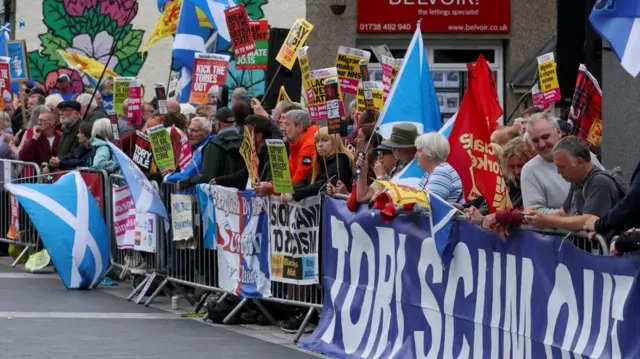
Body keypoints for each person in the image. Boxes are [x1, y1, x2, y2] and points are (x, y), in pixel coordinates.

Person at [525, 136, 621, 232]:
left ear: (579, 162)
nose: (558, 172)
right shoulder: (577, 180)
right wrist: (537, 217)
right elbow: (562, 213)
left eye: (562, 167)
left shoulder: (600, 182)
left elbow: (587, 220)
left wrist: (547, 220)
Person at [521, 112, 602, 213]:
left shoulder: (586, 156)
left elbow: (603, 191)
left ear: (559, 132)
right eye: (535, 140)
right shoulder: (530, 170)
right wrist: (576, 217)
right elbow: (535, 214)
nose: (541, 144)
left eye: (545, 137)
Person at [177, 107, 244, 190]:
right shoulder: (245, 143)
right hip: (244, 197)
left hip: (218, 197)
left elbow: (207, 177)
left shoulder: (213, 145)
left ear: (218, 124)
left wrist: (184, 182)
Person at [282, 126, 355, 203]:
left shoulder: (341, 161)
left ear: (335, 142)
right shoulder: (321, 162)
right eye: (317, 141)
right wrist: (290, 190)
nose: (319, 145)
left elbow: (321, 185)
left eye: (325, 140)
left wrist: (294, 194)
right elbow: (306, 180)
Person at [216, 115, 273, 191]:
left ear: (258, 136)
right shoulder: (255, 155)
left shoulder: (271, 155)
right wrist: (218, 181)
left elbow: (271, 184)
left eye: (247, 133)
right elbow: (244, 175)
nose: (244, 136)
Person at [414, 131, 464, 203]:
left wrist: (400, 208)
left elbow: (428, 204)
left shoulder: (441, 171)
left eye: (419, 151)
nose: (416, 155)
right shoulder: (431, 172)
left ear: (431, 153)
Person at [165, 116, 214, 184]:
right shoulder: (194, 146)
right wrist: (172, 173)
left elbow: (189, 174)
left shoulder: (208, 147)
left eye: (195, 131)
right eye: (190, 129)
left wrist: (167, 177)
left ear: (206, 133)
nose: (190, 134)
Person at [281, 109, 319, 186]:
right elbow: (288, 175)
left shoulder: (309, 145)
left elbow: (299, 180)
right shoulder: (296, 143)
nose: (283, 129)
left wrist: (271, 188)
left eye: (287, 124)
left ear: (299, 127)